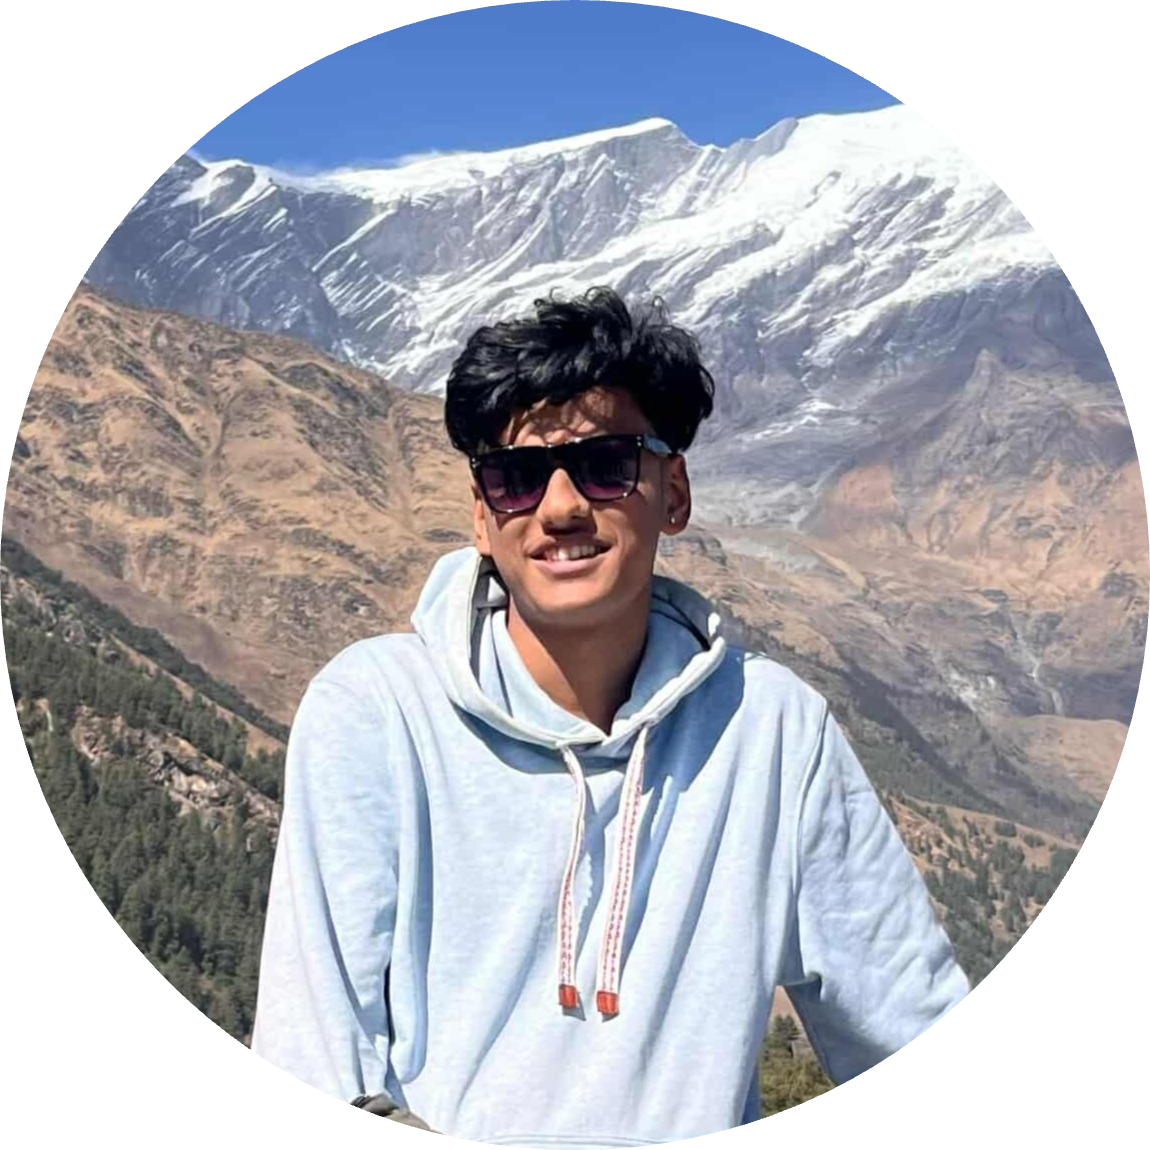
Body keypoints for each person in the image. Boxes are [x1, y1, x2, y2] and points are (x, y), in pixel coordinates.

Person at [249, 286, 970, 1141]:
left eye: (605, 464)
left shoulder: (774, 731)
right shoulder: (375, 713)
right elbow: (316, 1051)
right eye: (517, 478)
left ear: (674, 492)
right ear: (481, 516)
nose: (559, 508)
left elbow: (904, 1012)